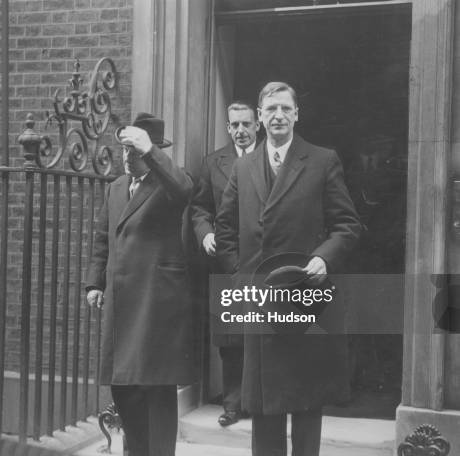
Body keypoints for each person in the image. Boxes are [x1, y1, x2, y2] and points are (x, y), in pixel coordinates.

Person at [216, 82, 361, 456]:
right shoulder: (243, 165)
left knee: (305, 399)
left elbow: (347, 224)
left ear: (297, 114)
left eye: (285, 108)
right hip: (260, 299)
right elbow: (226, 228)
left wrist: (324, 258)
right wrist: (241, 277)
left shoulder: (321, 159)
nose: (277, 116)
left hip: (304, 298)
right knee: (264, 403)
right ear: (260, 118)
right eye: (270, 110)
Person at [85, 112, 195, 456]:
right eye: (125, 151)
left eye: (135, 151)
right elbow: (102, 237)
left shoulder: (168, 185)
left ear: (151, 151)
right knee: (124, 387)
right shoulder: (116, 187)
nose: (127, 158)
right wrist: (95, 283)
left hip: (155, 301)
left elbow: (185, 189)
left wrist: (150, 151)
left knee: (156, 386)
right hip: (121, 301)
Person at [191, 101, 259, 426]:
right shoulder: (212, 162)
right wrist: (205, 234)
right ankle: (233, 404)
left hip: (265, 259)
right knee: (231, 335)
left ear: (257, 124)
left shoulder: (274, 159)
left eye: (247, 124)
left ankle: (261, 400)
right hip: (226, 260)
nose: (241, 131)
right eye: (235, 125)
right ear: (228, 127)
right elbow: (200, 207)